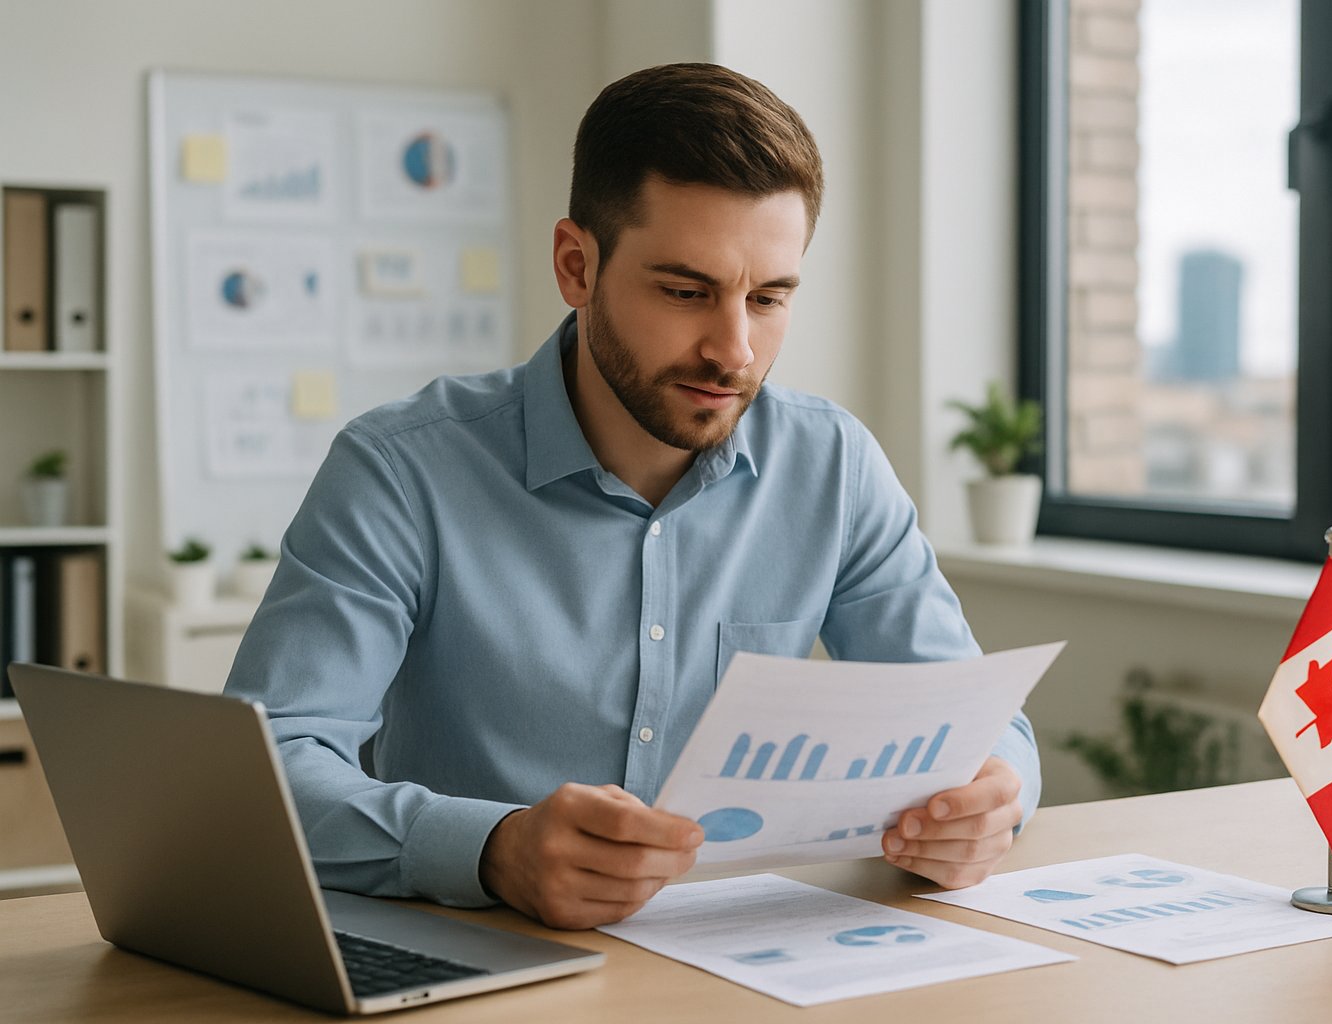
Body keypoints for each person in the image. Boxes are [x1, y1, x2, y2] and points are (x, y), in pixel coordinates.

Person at [225, 62, 1041, 931]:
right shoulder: (400, 470)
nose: (734, 350)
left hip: (745, 960)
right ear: (577, 266)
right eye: (686, 293)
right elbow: (263, 769)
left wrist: (993, 794)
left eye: (768, 298)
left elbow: (978, 722)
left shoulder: (832, 465)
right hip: (477, 958)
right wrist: (495, 849)